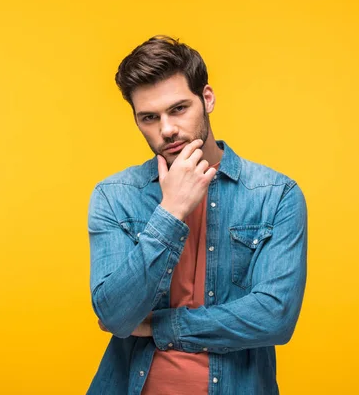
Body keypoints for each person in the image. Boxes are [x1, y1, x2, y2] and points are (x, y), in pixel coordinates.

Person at [86, 35, 308, 395]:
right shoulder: (116, 197)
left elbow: (275, 317)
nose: (167, 129)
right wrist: (171, 211)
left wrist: (162, 326)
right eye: (149, 117)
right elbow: (114, 315)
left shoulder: (275, 195)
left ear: (207, 99)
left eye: (178, 109)